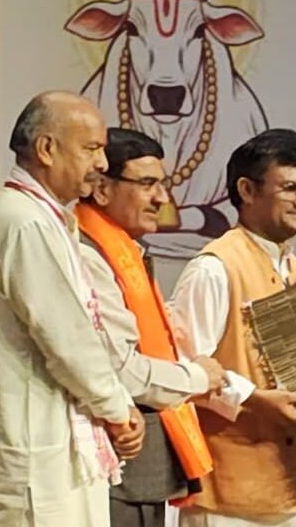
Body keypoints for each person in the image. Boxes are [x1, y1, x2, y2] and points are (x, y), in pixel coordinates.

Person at [0, 91, 144, 527]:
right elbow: (69, 341)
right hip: (33, 456)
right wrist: (118, 409)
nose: (102, 163)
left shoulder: (40, 216)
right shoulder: (26, 221)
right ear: (47, 149)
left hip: (47, 446)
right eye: (91, 148)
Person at [170, 129, 296, 527]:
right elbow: (184, 368)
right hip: (233, 490)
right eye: (289, 189)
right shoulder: (214, 268)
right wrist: (253, 398)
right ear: (247, 190)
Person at [74, 127, 227, 527]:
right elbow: (119, 368)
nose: (162, 198)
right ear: (102, 188)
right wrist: (197, 376)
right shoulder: (85, 254)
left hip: (139, 465)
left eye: (162, 184)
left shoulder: (122, 248)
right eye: (147, 184)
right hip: (115, 460)